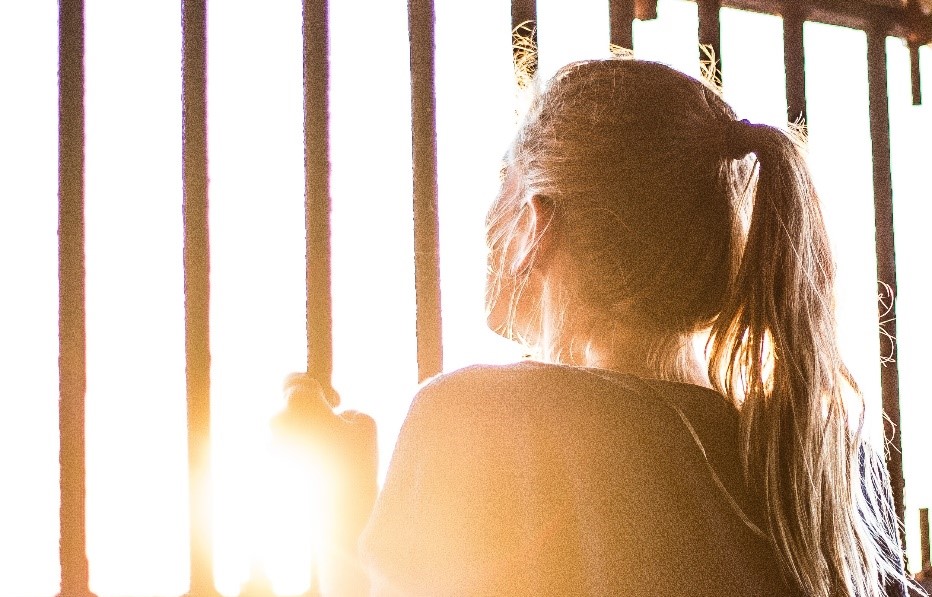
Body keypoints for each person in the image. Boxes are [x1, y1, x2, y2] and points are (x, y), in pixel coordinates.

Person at [350, 57, 919, 596]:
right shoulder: (823, 463)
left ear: (533, 221)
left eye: (504, 180)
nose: (482, 221)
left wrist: (335, 487)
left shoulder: (475, 417)